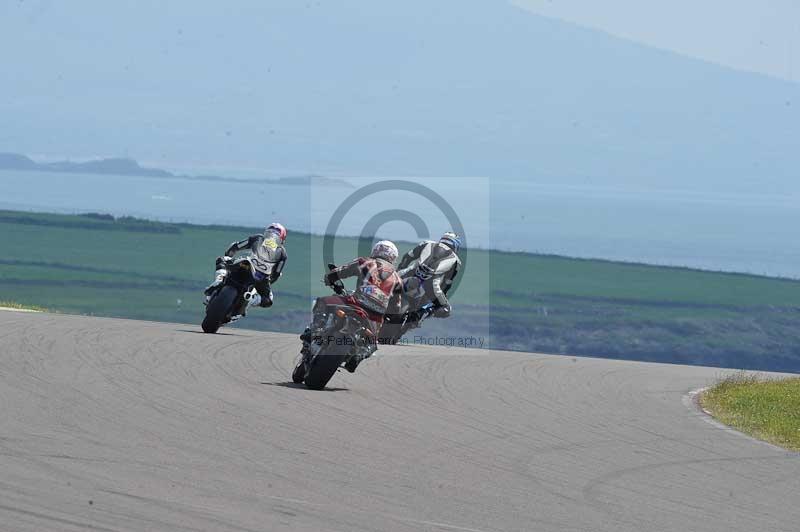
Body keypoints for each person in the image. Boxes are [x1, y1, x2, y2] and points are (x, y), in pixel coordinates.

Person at [316, 240, 403, 372]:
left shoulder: (365, 262)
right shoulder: (397, 278)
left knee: (323, 301)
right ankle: (359, 355)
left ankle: (315, 332)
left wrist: (329, 278)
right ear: (393, 257)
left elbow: (341, 271)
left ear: (376, 250)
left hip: (356, 302)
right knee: (372, 343)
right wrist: (392, 317)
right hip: (375, 316)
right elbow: (396, 306)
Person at [204, 223, 287, 316]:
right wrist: (267, 282)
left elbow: (236, 246)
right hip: (259, 275)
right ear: (282, 240)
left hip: (245, 266)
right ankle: (250, 299)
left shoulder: (258, 238)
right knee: (268, 299)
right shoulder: (282, 254)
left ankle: (220, 281)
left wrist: (228, 255)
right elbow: (276, 274)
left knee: (222, 260)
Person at [396, 231, 462, 320]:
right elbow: (447, 282)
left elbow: (407, 256)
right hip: (432, 284)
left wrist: (399, 270)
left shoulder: (427, 243)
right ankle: (419, 316)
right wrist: (443, 299)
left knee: (387, 280)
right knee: (446, 309)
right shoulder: (456, 261)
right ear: (456, 246)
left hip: (411, 272)